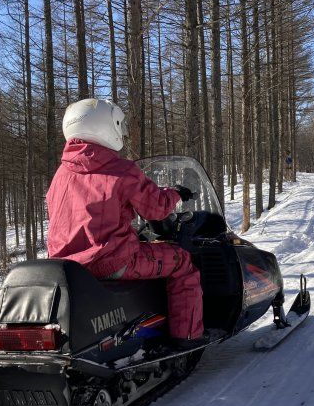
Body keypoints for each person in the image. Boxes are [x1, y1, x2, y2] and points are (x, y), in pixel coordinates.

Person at [46, 98, 206, 350]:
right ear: (104, 127)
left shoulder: (60, 175)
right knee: (183, 261)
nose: (120, 131)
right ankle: (187, 339)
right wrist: (175, 193)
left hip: (68, 270)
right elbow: (156, 208)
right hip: (112, 262)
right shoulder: (121, 169)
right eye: (117, 125)